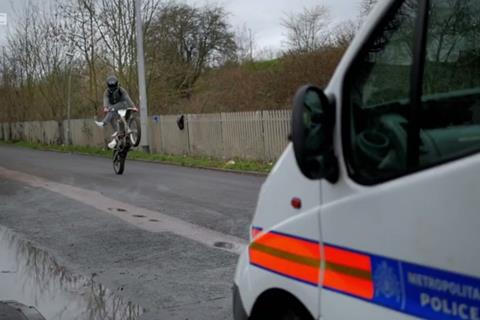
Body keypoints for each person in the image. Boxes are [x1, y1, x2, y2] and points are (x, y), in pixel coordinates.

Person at [95, 76, 135, 149]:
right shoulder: (106, 92)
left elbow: (127, 97)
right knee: (112, 117)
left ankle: (104, 123)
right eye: (111, 88)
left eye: (114, 88)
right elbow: (105, 99)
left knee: (125, 117)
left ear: (117, 85)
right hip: (112, 107)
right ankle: (117, 132)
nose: (113, 90)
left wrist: (133, 106)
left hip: (122, 104)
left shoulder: (121, 90)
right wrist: (105, 107)